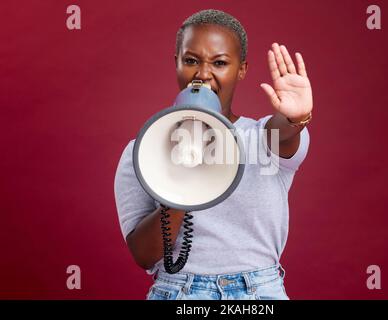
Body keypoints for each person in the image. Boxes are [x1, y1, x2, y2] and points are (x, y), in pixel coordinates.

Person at [114, 9, 313, 300]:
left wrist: (298, 117)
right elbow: (144, 255)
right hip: (178, 292)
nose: (203, 74)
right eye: (191, 60)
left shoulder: (262, 139)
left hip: (259, 293)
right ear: (177, 63)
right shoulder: (142, 151)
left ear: (241, 69)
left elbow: (285, 133)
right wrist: (181, 180)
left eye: (219, 63)